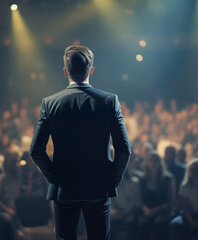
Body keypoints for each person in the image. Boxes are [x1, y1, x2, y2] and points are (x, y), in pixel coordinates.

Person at [30, 45, 131, 240]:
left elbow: (36, 151)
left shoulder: (50, 103)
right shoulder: (110, 101)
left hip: (64, 187)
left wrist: (55, 177)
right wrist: (111, 179)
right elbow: (124, 150)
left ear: (65, 71)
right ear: (91, 70)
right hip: (98, 185)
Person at [138, 151, 175, 240]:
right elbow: (139, 200)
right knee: (143, 223)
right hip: (147, 211)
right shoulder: (142, 179)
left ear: (160, 162)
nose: (153, 162)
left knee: (159, 223)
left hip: (162, 211)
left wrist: (156, 210)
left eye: (156, 160)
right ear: (146, 162)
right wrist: (145, 209)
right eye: (150, 160)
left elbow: (172, 201)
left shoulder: (168, 179)